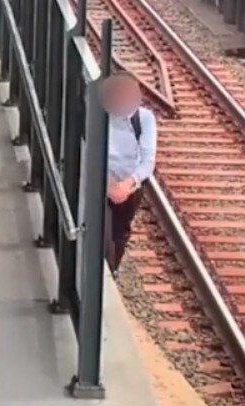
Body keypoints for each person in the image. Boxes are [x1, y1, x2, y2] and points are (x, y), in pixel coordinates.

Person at [100, 71, 157, 278]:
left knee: (120, 231)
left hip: (129, 185)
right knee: (102, 231)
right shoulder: (100, 115)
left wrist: (128, 184)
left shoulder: (144, 119)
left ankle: (113, 269)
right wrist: (108, 183)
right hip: (102, 181)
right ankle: (104, 270)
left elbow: (148, 159)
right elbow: (90, 149)